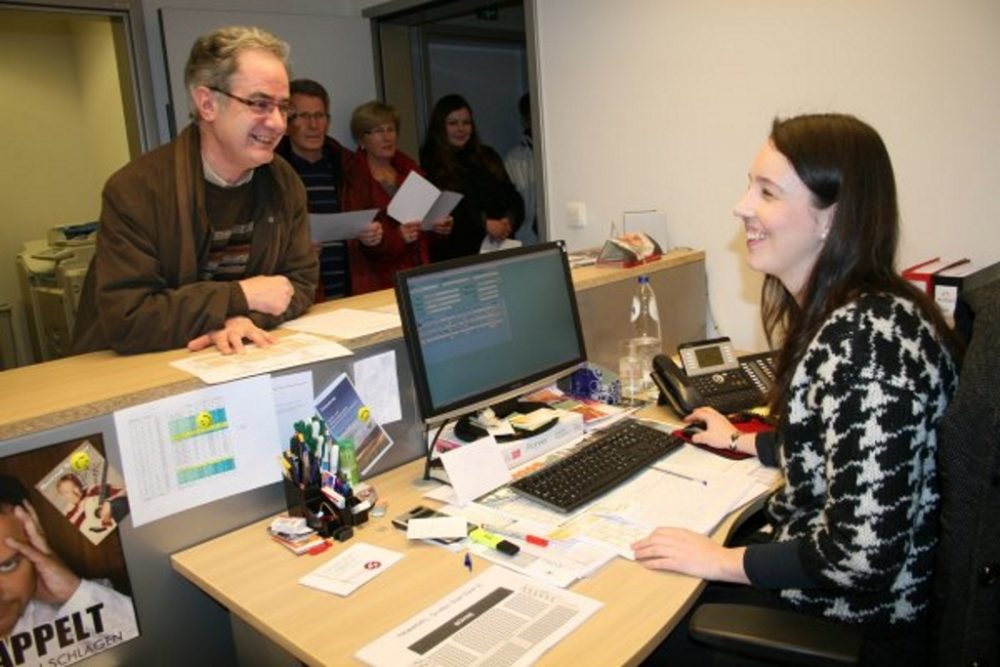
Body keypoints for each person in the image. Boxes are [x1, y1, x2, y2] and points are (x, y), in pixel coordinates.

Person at [632, 114, 960, 665]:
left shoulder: (865, 343)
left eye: (767, 192)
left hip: (848, 621)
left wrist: (721, 560)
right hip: (838, 596)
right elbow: (853, 453)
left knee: (643, 622)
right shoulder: (873, 311)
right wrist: (745, 442)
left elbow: (863, 554)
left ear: (832, 219)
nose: (741, 206)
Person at [71, 26, 318, 356]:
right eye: (259, 104)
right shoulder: (135, 190)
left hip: (232, 361)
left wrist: (243, 318)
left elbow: (298, 283)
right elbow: (129, 318)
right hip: (133, 373)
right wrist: (238, 296)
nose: (277, 123)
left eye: (283, 107)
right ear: (207, 104)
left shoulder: (283, 182)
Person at [0, 475, 138, 662]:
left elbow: (166, 650)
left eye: (7, 565)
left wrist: (74, 593)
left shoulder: (87, 605)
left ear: (34, 542)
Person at [341, 101, 451, 294]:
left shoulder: (410, 172)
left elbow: (424, 236)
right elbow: (358, 240)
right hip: (378, 281)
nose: (386, 137)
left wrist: (438, 227)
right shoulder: (355, 179)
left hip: (418, 276)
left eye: (390, 129)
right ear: (361, 139)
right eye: (377, 131)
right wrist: (397, 237)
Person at [420, 94, 524, 261]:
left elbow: (513, 196)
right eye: (453, 123)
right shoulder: (428, 162)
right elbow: (442, 213)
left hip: (498, 250)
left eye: (466, 123)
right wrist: (485, 225)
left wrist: (508, 221)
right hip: (456, 256)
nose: (461, 129)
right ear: (440, 127)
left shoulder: (487, 156)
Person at [276, 78, 352, 301]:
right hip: (303, 295)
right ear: (287, 122)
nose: (314, 125)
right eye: (304, 116)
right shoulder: (271, 171)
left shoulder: (348, 165)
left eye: (319, 116)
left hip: (354, 293)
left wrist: (376, 235)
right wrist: (297, 250)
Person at [503, 92, 538, 245]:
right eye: (532, 115)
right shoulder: (512, 160)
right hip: (527, 241)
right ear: (525, 120)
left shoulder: (561, 154)